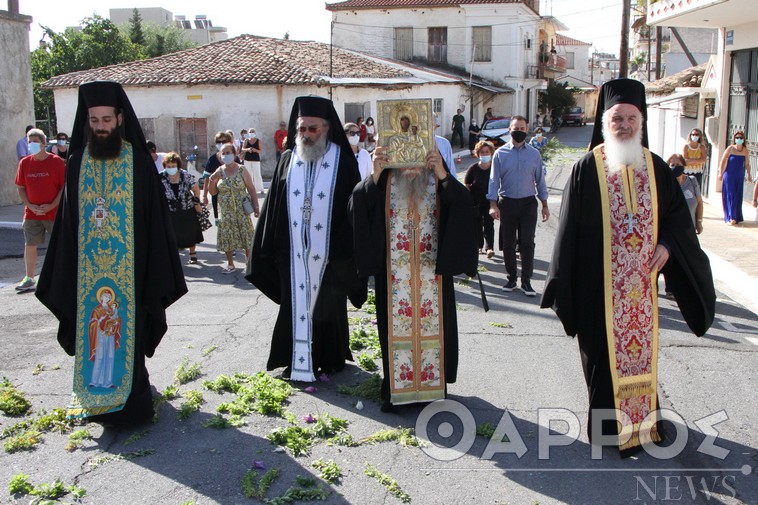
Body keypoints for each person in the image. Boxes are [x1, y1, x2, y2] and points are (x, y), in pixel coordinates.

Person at [540, 78, 716, 455]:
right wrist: (565, 287)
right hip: (597, 292)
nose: (624, 124)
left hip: (641, 294)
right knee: (603, 364)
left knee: (642, 359)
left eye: (631, 118)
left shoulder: (656, 168)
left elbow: (678, 221)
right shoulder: (587, 169)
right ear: (606, 121)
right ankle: (608, 435)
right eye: (617, 118)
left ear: (642, 122)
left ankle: (645, 428)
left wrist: (668, 245)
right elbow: (567, 233)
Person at [36, 80, 187, 426]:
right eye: (94, 120)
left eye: (106, 119)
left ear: (120, 118)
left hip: (131, 271)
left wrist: (151, 266)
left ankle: (133, 404)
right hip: (89, 274)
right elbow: (69, 225)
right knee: (96, 338)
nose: (100, 127)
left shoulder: (137, 162)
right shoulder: (75, 163)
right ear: (86, 121)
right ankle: (96, 400)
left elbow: (153, 220)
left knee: (128, 333)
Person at [351, 137, 477, 412]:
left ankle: (433, 389)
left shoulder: (437, 177)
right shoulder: (383, 180)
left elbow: (465, 206)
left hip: (433, 275)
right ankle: (396, 389)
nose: (409, 162)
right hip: (393, 275)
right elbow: (357, 205)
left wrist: (443, 175)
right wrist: (374, 174)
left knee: (436, 330)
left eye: (415, 154)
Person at [246, 95, 366, 382]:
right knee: (294, 306)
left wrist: (339, 250)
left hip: (330, 255)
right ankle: (294, 360)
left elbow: (353, 208)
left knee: (328, 309)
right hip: (292, 254)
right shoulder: (288, 159)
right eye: (301, 129)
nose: (307, 135)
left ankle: (331, 359)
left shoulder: (342, 161)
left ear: (326, 128)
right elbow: (275, 205)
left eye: (313, 129)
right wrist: (271, 247)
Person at [487, 115, 549, 297]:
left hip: (529, 203)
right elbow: (493, 180)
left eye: (522, 129)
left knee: (527, 242)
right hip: (507, 203)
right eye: (516, 128)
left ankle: (526, 281)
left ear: (526, 130)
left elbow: (540, 180)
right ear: (509, 130)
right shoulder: (500, 154)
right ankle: (511, 278)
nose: (519, 131)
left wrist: (544, 204)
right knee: (508, 243)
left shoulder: (534, 154)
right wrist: (493, 204)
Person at [14, 128, 66, 293]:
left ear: (44, 144)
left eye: (35, 142)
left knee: (59, 245)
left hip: (53, 212)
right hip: (32, 213)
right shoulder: (24, 163)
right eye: (30, 142)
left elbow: (64, 187)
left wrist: (51, 205)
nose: (32, 145)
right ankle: (29, 278)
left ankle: (62, 278)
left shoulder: (57, 162)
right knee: (30, 244)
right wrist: (29, 205)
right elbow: (20, 187)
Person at [207, 143, 259, 274]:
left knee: (246, 234)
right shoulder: (219, 171)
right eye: (223, 153)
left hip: (242, 209)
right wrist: (213, 180)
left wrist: (256, 206)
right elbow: (213, 193)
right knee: (227, 236)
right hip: (225, 211)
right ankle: (230, 264)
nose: (225, 155)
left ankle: (249, 260)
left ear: (234, 154)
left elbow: (251, 188)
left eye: (228, 152)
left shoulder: (241, 169)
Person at [159, 151, 204, 264]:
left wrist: (197, 203)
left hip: (187, 207)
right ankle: (173, 256)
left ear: (178, 165)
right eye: (168, 166)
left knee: (190, 231)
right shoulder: (161, 177)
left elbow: (195, 189)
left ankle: (192, 254)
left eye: (173, 166)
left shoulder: (185, 175)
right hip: (170, 210)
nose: (171, 168)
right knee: (172, 233)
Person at [464, 140, 495, 258]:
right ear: (478, 153)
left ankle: (490, 247)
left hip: (490, 201)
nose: (485, 154)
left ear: (491, 153)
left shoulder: (494, 168)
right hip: (475, 202)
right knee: (477, 224)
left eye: (487, 152)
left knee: (489, 224)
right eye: (482, 152)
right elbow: (467, 185)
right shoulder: (473, 168)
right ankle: (479, 246)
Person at [718, 130, 752, 225]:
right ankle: (731, 216)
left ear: (743, 139)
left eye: (741, 138)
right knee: (730, 194)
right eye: (737, 138)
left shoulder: (745, 150)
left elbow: (747, 164)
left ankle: (736, 216)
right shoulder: (730, 148)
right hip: (729, 175)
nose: (739, 139)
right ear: (734, 139)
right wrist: (720, 173)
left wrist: (749, 174)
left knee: (737, 195)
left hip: (739, 175)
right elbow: (723, 161)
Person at [202, 131, 236, 223]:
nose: (221, 144)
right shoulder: (212, 159)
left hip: (233, 194)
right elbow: (207, 178)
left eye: (223, 141)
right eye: (218, 142)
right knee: (221, 222)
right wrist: (205, 196)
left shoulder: (234, 158)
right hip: (216, 195)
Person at [240, 127, 264, 195]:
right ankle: (249, 189)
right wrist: (248, 149)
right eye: (250, 132)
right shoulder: (246, 140)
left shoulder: (258, 141)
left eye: (253, 132)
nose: (251, 133)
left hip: (256, 159)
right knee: (248, 174)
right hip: (247, 159)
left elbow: (260, 151)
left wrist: (255, 150)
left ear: (255, 133)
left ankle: (260, 188)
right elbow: (242, 148)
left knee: (257, 174)